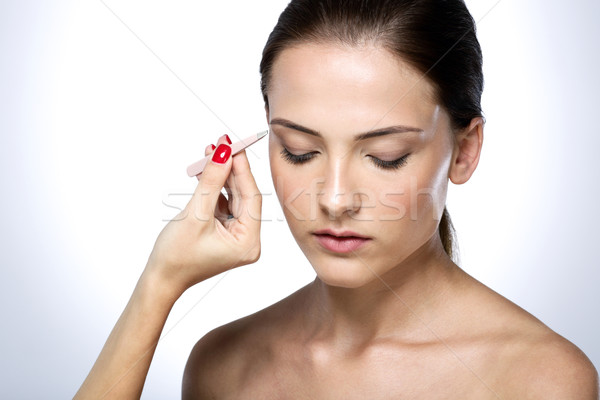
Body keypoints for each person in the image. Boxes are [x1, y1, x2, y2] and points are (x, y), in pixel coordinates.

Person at [75, 0, 599, 398]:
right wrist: (159, 283)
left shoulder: (541, 380)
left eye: (386, 156)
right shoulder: (222, 367)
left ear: (464, 151)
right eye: (300, 151)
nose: (336, 198)